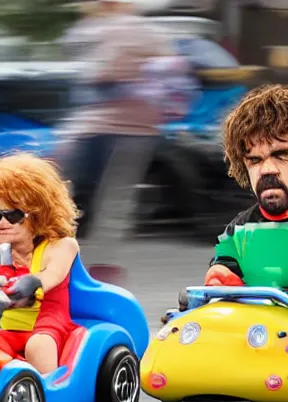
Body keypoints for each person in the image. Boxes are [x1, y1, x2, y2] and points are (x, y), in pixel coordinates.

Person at [57, 0, 176, 278]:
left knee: (65, 191)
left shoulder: (112, 29)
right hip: (134, 128)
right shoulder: (148, 32)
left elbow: (98, 72)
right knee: (113, 200)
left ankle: (58, 258)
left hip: (108, 127)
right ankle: (99, 265)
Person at [0, 153, 81, 374]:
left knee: (38, 345)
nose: (2, 223)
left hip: (48, 325)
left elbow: (52, 275)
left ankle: (47, 393)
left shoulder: (61, 246)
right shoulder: (7, 257)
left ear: (38, 213)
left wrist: (28, 285)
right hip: (10, 328)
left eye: (13, 215)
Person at [203, 84, 288, 309]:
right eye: (255, 160)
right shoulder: (241, 229)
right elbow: (226, 261)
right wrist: (220, 274)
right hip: (259, 334)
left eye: (281, 155)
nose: (266, 169)